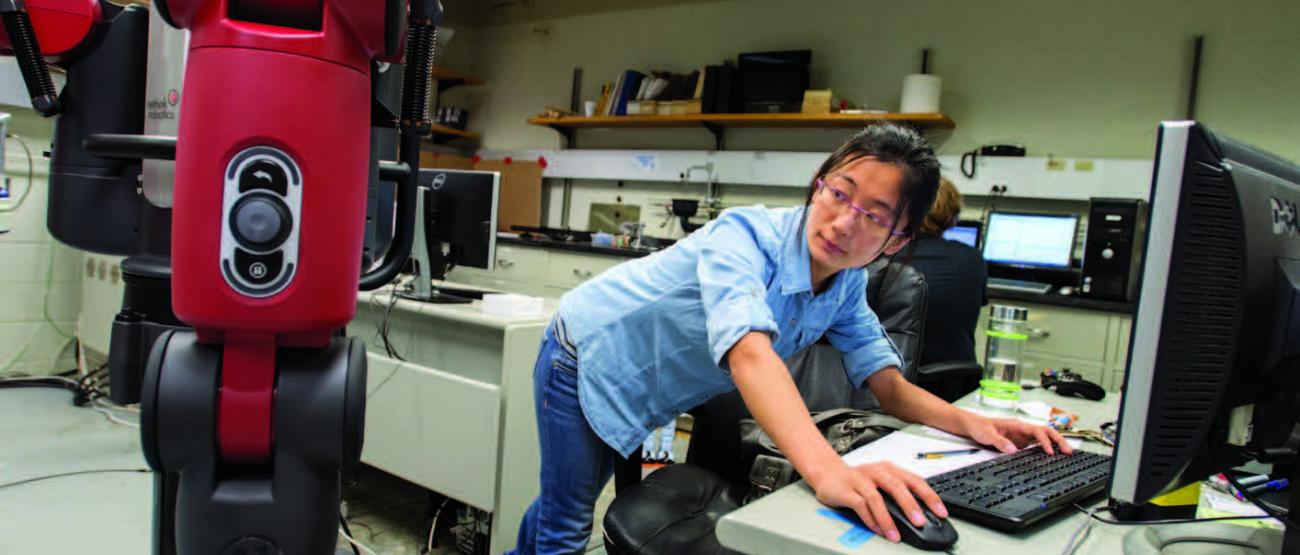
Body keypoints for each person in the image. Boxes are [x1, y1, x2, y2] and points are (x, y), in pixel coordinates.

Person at [510, 125, 1072, 555]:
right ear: (818, 184)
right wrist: (829, 472)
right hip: (586, 356)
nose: (843, 222)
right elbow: (750, 355)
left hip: (646, 382)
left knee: (563, 498)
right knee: (567, 525)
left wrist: (979, 425)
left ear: (899, 241)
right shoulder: (745, 237)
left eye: (874, 216)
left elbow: (890, 386)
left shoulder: (846, 284)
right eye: (838, 194)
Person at [906, 179, 988, 366]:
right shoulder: (973, 258)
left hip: (900, 383)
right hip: (957, 381)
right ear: (954, 216)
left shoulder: (887, 258)